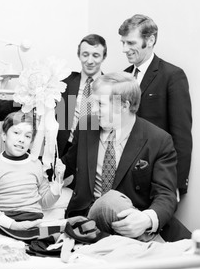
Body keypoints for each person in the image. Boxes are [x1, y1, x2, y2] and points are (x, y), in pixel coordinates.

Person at [61, 72, 191, 242]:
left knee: (189, 245)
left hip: (135, 219)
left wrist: (145, 219)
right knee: (111, 201)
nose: (93, 110)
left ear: (123, 106)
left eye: (100, 104)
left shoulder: (157, 140)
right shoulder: (87, 125)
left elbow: (166, 195)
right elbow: (66, 166)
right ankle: (161, 248)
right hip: (91, 219)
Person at [118, 14, 192, 196]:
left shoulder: (172, 76)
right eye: (123, 43)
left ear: (150, 40)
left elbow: (181, 136)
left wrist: (176, 183)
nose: (124, 49)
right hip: (124, 177)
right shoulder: (123, 76)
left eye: (130, 43)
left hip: (157, 176)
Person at [0, 111, 65, 230]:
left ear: (31, 141)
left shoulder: (36, 164)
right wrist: (11, 224)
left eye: (27, 136)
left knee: (55, 237)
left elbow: (46, 201)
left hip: (33, 220)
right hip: (5, 221)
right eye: (16, 133)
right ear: (4, 135)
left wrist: (59, 180)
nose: (21, 140)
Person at [56, 34, 107, 158]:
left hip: (93, 151)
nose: (89, 61)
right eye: (85, 54)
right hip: (64, 148)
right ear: (79, 55)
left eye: (95, 55)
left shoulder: (110, 87)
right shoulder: (65, 82)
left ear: (103, 57)